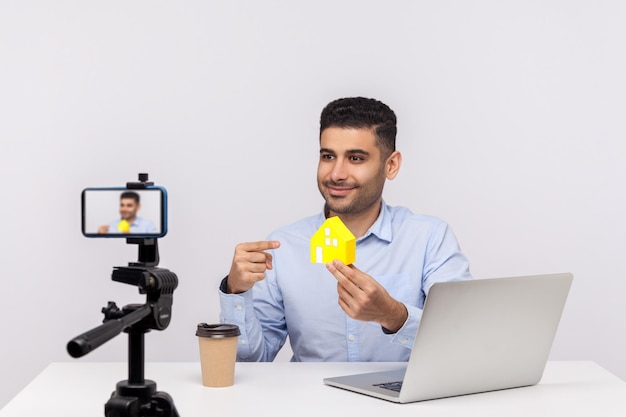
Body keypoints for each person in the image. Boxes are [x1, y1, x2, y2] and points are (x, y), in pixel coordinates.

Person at [219, 97, 471, 362]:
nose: (336, 173)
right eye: (328, 156)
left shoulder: (429, 238)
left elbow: (463, 339)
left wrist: (393, 315)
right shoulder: (283, 246)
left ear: (391, 165)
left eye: (356, 158)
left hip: (399, 402)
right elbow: (252, 363)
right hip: (311, 402)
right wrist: (236, 291)